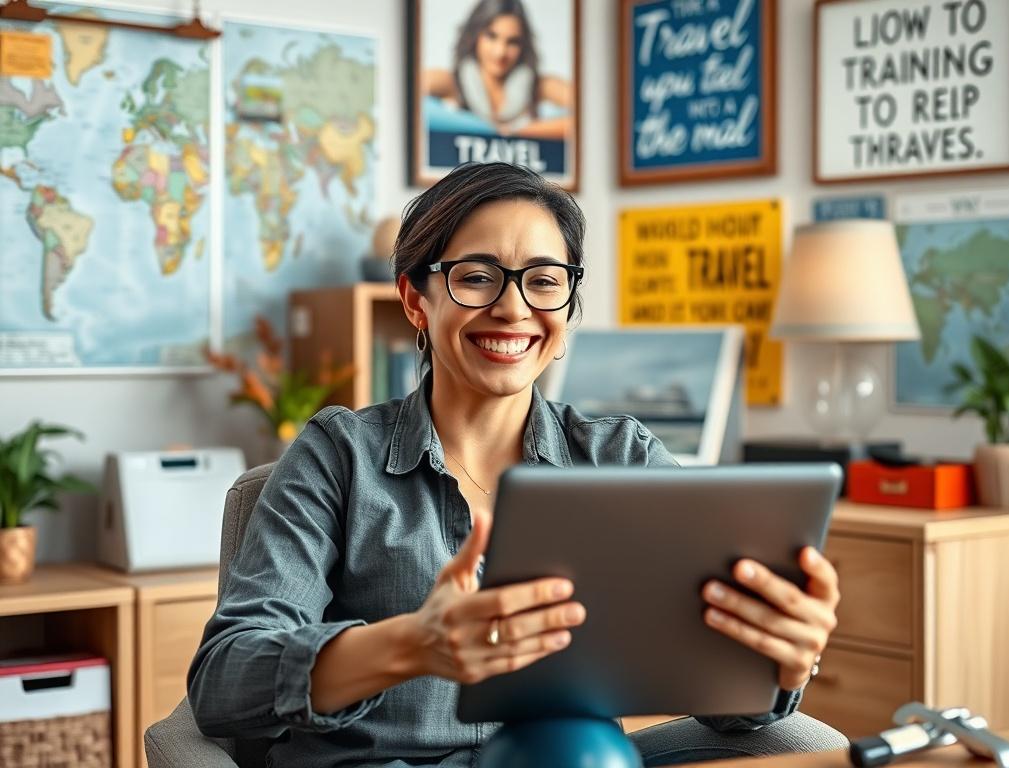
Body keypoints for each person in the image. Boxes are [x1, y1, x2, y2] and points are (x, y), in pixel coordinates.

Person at [187, 162, 845, 767]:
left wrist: (775, 660)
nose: (513, 306)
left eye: (544, 281)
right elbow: (225, 680)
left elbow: (720, 696)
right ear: (417, 300)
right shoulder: (338, 456)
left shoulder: (621, 458)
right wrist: (413, 646)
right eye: (476, 276)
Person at [422, 0, 573, 140]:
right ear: (475, 36)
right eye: (491, 36)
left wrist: (522, 131)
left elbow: (590, 111)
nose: (500, 52)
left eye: (512, 42)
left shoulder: (538, 86)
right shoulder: (452, 82)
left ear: (523, 46)